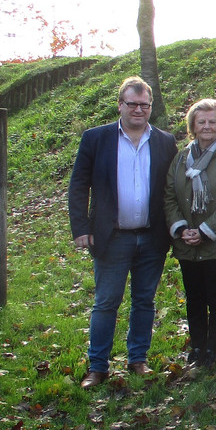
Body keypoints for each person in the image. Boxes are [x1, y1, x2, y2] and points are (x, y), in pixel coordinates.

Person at [68, 76, 178, 388]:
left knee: (144, 300)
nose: (139, 110)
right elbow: (78, 186)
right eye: (133, 104)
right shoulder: (96, 139)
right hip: (111, 236)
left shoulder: (164, 142)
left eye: (145, 105)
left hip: (152, 236)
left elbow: (171, 189)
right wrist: (80, 227)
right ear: (121, 105)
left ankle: (138, 359)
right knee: (106, 301)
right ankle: (98, 366)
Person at [163, 99, 216, 369]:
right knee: (194, 297)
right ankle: (197, 345)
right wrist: (181, 229)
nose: (207, 126)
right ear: (193, 126)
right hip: (188, 243)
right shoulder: (181, 158)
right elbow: (169, 196)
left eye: (213, 122)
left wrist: (205, 231)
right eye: (201, 122)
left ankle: (214, 347)